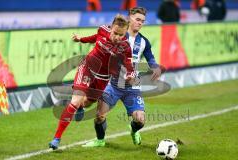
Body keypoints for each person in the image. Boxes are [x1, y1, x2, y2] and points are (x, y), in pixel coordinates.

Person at [49, 14, 135, 150]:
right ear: (111, 27)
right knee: (75, 101)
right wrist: (81, 39)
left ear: (125, 33)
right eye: (115, 33)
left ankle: (82, 106)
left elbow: (129, 63)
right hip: (87, 68)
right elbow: (95, 38)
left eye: (121, 35)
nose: (117, 37)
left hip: (103, 77)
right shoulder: (102, 30)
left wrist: (130, 74)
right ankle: (56, 138)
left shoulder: (125, 46)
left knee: (87, 103)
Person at [81, 7, 163, 147]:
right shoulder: (116, 34)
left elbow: (150, 59)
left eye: (142, 21)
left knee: (140, 120)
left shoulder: (144, 42)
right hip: (113, 84)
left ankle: (133, 129)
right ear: (129, 17)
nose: (140, 23)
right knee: (99, 115)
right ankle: (100, 140)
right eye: (137, 19)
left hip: (132, 87)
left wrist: (156, 67)